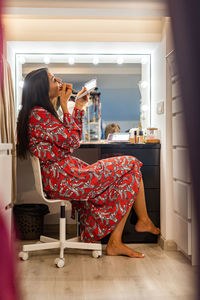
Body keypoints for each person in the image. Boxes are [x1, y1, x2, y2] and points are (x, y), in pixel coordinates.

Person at [17, 68, 160, 258]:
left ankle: (117, 241)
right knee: (132, 163)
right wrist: (69, 107)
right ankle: (140, 222)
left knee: (131, 172)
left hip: (67, 175)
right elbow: (72, 142)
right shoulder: (38, 115)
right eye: (52, 79)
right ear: (42, 88)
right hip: (66, 179)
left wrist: (77, 107)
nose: (59, 80)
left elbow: (68, 143)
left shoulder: (42, 114)